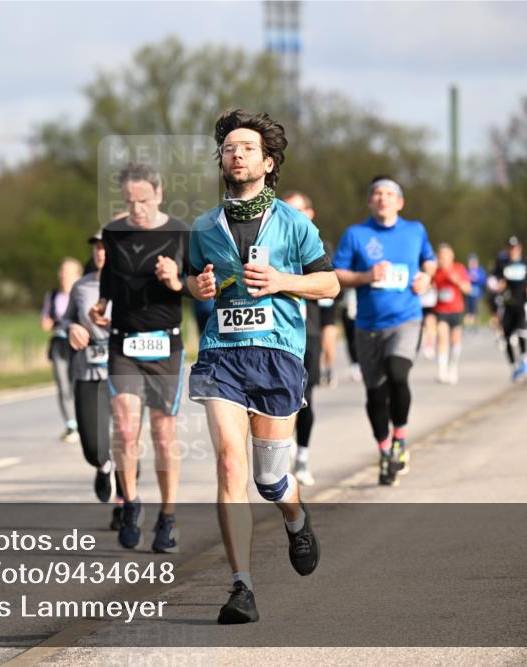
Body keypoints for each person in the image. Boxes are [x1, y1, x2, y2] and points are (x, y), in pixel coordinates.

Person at [187, 110, 337, 624]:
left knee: (270, 478)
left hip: (277, 354)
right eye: (229, 147)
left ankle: (295, 519)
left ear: (268, 162)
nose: (236, 153)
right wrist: (197, 289)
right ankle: (241, 587)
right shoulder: (205, 226)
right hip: (222, 355)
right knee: (230, 465)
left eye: (247, 147)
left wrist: (282, 282)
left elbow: (330, 285)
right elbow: (193, 280)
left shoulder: (296, 224)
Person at [89, 162, 190, 553]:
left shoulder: (181, 233)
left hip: (165, 342)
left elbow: (199, 285)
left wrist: (174, 280)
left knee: (163, 434)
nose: (136, 210)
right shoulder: (114, 233)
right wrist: (99, 307)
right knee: (126, 428)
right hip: (123, 342)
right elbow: (108, 280)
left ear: (159, 194)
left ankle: (168, 517)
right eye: (129, 202)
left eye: (143, 201)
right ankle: (130, 502)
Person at [333, 175, 436, 487]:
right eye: (376, 193)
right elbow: (337, 273)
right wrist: (366, 276)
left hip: (406, 318)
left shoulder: (415, 230)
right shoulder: (356, 234)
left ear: (399, 202)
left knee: (398, 373)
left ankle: (400, 439)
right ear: (369, 201)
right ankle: (384, 449)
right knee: (375, 393)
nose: (382, 198)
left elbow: (429, 261)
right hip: (367, 325)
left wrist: (427, 278)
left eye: (389, 193)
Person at [282, 190, 332, 486]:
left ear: (310, 214)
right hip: (277, 332)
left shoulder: (320, 246)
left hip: (308, 331)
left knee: (306, 399)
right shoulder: (270, 243)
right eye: (289, 210)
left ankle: (302, 458)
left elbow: (328, 288)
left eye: (300, 210)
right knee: (281, 399)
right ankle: (281, 459)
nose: (295, 216)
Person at [62, 230, 115, 503]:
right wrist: (72, 328)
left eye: (105, 246)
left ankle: (126, 506)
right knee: (92, 446)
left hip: (122, 371)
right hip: (87, 370)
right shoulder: (81, 286)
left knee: (126, 440)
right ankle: (104, 467)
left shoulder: (130, 284)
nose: (100, 251)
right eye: (96, 247)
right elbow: (66, 319)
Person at [42, 258, 84, 442]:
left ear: (78, 275)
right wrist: (53, 322)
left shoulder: (83, 293)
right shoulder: (52, 296)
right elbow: (45, 322)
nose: (63, 276)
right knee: (62, 384)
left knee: (80, 384)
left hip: (80, 345)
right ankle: (71, 425)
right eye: (62, 272)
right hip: (60, 344)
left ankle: (86, 421)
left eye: (67, 272)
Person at [494, 236, 527, 382]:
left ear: (520, 248)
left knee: (521, 332)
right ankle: (514, 367)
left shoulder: (525, 262)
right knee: (506, 338)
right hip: (507, 303)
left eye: (515, 247)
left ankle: (525, 359)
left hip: (521, 302)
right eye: (510, 248)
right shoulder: (502, 263)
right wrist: (497, 286)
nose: (513, 251)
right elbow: (494, 280)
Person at [431, 244, 471, 384]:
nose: (442, 259)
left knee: (455, 340)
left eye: (445, 256)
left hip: (456, 310)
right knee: (442, 338)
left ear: (451, 257)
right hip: (441, 310)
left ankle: (453, 368)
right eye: (440, 257)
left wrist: (458, 281)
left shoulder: (459, 268)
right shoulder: (436, 271)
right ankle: (442, 371)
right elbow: (429, 286)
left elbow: (468, 289)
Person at [464, 254, 487, 328]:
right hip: (469, 294)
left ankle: (477, 324)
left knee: (476, 309)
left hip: (477, 294)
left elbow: (483, 280)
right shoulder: (466, 270)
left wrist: (476, 279)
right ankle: (469, 324)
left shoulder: (480, 271)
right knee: (469, 310)